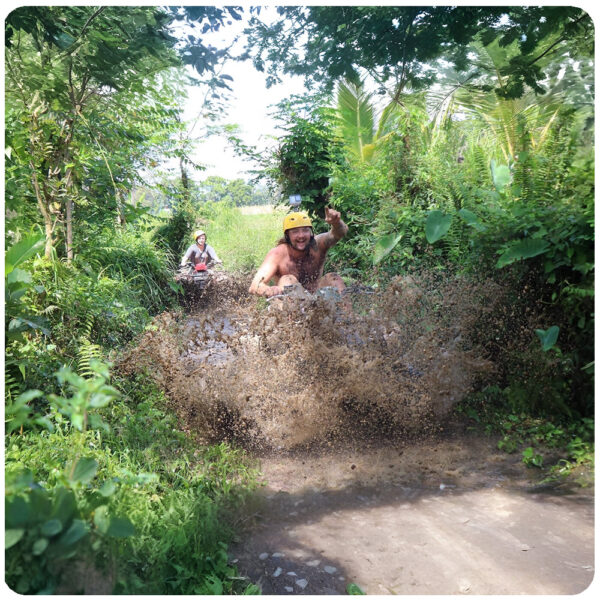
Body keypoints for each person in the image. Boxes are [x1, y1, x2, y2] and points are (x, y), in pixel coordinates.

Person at [249, 207, 348, 298]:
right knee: (288, 279)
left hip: (317, 301)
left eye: (305, 230)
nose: (301, 236)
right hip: (289, 306)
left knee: (333, 278)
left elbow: (339, 233)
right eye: (295, 231)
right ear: (287, 235)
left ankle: (348, 316)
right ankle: (291, 317)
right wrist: (269, 290)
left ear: (311, 233)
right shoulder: (278, 253)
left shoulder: (318, 245)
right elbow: (255, 286)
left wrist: (336, 223)